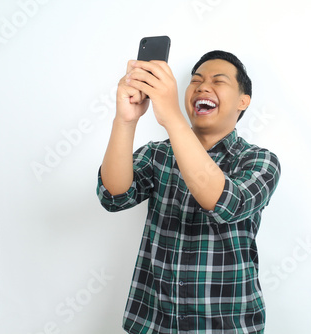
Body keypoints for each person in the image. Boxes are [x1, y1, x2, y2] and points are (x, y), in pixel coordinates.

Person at [96, 50, 281, 333]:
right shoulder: (158, 153)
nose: (203, 87)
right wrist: (126, 121)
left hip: (225, 326)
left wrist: (172, 117)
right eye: (196, 80)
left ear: (244, 101)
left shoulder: (259, 161)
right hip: (153, 322)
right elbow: (114, 196)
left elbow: (225, 204)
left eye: (218, 81)